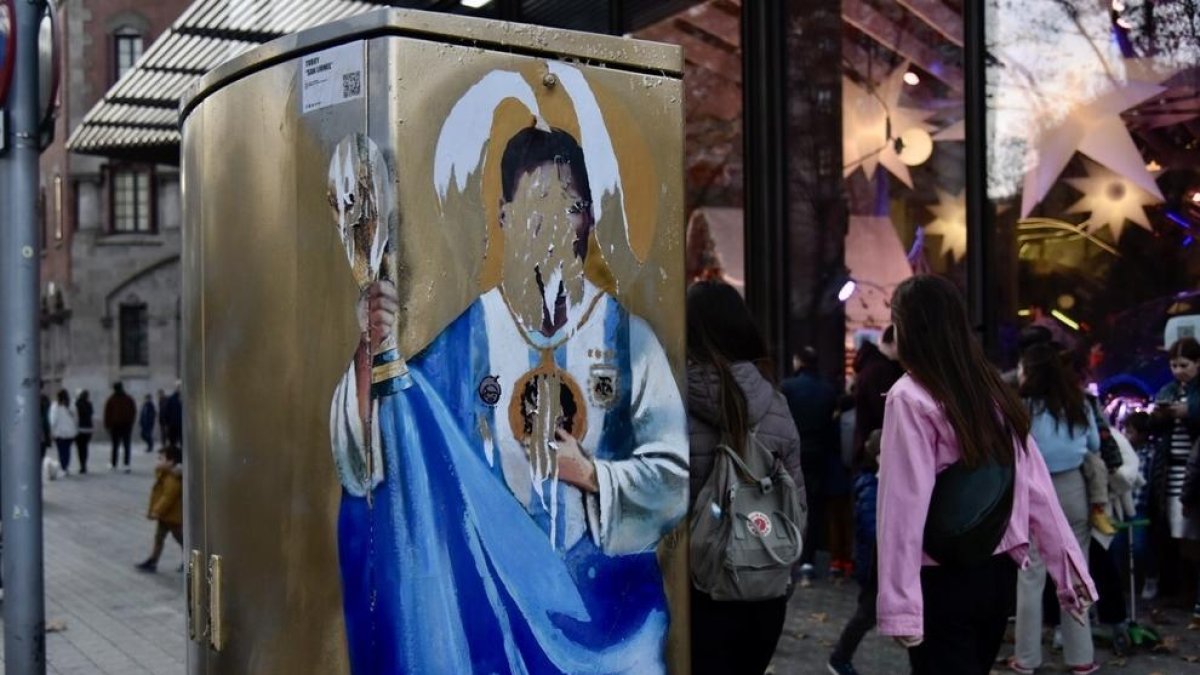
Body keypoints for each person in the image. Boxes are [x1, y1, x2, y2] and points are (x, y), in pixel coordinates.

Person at [329, 124, 688, 673]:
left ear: (589, 221)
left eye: (569, 205)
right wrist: (371, 352)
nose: (550, 229)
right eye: (534, 206)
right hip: (494, 621)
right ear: (504, 219)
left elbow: (673, 478)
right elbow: (379, 455)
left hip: (615, 621)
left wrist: (594, 476)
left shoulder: (628, 340)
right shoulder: (464, 344)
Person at [876, 275, 1095, 675]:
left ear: (909, 327)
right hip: (996, 569)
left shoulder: (910, 396)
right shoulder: (990, 388)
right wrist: (1069, 573)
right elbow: (1036, 487)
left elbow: (902, 508)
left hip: (940, 574)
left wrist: (900, 605)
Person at [686, 280, 806, 675]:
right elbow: (797, 504)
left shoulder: (672, 401)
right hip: (765, 583)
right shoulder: (776, 403)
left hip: (699, 591)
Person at [1010, 342, 1102, 674]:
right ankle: (1081, 658)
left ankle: (1027, 658)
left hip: (1035, 490)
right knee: (1076, 571)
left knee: (1031, 574)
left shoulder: (1021, 408)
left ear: (1030, 371)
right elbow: (1094, 444)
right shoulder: (1079, 403)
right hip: (1073, 487)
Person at [1150, 337, 1200, 619]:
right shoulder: (1168, 390)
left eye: (1185, 365)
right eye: (1174, 365)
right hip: (1171, 470)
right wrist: (1161, 415)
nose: (1179, 370)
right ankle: (1183, 591)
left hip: (1194, 470)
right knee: (1176, 533)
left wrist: (1190, 412)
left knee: (1193, 532)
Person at [782, 346, 838, 586]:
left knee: (789, 504)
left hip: (793, 453)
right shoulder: (828, 390)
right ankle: (808, 560)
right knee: (814, 507)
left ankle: (788, 557)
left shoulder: (788, 388)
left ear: (799, 362)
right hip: (820, 455)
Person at [828, 428, 881, 675]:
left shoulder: (876, 483)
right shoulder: (871, 486)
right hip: (874, 565)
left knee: (867, 614)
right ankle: (840, 657)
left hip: (876, 563)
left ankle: (840, 656)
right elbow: (871, 530)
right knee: (866, 614)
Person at [135, 445, 183, 573]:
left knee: (181, 538)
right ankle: (153, 560)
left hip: (173, 516)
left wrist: (156, 511)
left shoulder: (173, 479)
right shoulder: (165, 474)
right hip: (165, 516)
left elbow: (168, 498)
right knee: (159, 538)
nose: (158, 461)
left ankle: (189, 560)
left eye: (161, 459)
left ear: (171, 462)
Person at [104, 382, 137, 473]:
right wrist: (131, 422)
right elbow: (133, 411)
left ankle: (114, 464)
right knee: (126, 445)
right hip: (126, 425)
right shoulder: (128, 399)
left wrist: (107, 426)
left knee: (115, 446)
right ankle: (126, 464)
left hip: (115, 426)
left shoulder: (111, 400)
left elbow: (107, 414)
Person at [48, 389, 78, 476]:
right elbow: (76, 418)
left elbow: (53, 420)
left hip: (59, 432)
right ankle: (66, 466)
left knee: (61, 451)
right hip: (70, 432)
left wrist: (51, 430)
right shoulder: (71, 405)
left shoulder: (55, 406)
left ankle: (63, 467)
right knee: (67, 450)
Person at [75, 390, 94, 474]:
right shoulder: (89, 404)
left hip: (79, 428)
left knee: (80, 448)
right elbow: (91, 413)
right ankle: (84, 464)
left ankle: (82, 465)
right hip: (88, 428)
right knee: (85, 447)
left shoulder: (77, 404)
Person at [164, 382, 183, 448]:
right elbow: (167, 412)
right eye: (178, 387)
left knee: (183, 443)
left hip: (183, 426)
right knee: (173, 444)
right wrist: (167, 423)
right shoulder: (171, 399)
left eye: (180, 386)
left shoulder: (186, 398)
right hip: (173, 425)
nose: (179, 388)